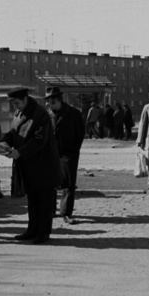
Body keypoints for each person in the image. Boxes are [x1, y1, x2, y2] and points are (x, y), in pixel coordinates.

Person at [2, 87, 61, 245]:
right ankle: (32, 230)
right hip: (29, 165)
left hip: (43, 164)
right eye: (13, 104)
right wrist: (3, 142)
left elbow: (38, 141)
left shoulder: (40, 114)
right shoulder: (19, 112)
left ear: (25, 100)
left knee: (44, 200)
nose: (15, 107)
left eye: (17, 103)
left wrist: (19, 152)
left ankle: (43, 233)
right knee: (33, 200)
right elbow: (14, 132)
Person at [44, 87, 85, 226]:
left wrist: (73, 150)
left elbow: (80, 133)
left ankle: (66, 213)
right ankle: (50, 210)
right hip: (50, 153)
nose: (47, 105)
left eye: (50, 102)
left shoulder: (74, 114)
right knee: (49, 182)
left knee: (68, 184)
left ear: (57, 100)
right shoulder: (47, 115)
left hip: (68, 153)